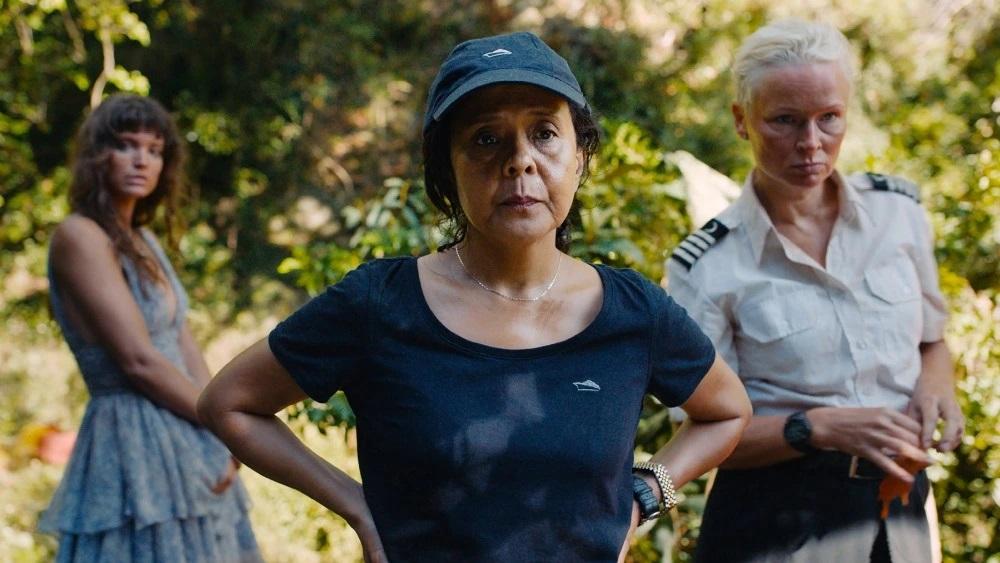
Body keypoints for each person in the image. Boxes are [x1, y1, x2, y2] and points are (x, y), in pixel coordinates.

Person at [198, 31, 751, 562]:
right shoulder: (379, 305)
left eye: (544, 133)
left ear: (580, 156)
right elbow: (230, 403)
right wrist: (356, 506)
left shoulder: (633, 311)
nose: (520, 160)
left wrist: (646, 494)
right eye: (486, 138)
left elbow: (727, 413)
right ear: (446, 168)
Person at [666, 20, 964, 563]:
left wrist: (937, 386)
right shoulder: (705, 266)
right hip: (773, 522)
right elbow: (701, 434)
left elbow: (932, 341)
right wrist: (817, 428)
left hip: (896, 507)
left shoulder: (899, 215)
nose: (811, 143)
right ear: (741, 120)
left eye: (829, 118)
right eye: (784, 120)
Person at [39, 94, 260, 562]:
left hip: (187, 428)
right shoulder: (79, 236)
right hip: (132, 438)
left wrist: (222, 417)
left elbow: (182, 339)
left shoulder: (144, 239)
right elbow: (138, 361)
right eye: (126, 145)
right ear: (97, 155)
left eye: (155, 150)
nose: (142, 160)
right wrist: (221, 422)